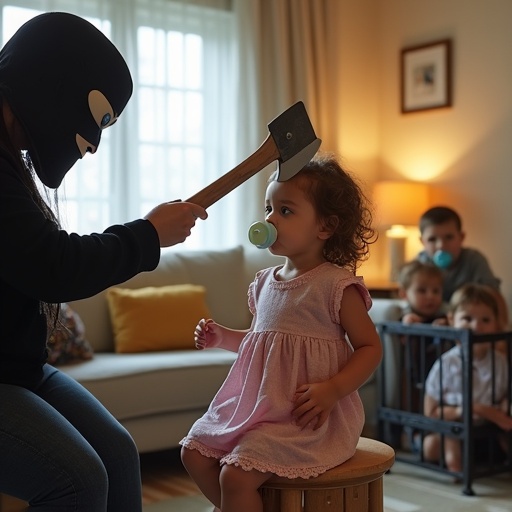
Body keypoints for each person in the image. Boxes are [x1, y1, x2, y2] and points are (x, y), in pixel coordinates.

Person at [0, 12, 207, 511]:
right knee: (78, 479)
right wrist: (148, 236)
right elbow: (52, 265)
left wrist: (149, 235)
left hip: (19, 369)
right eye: (95, 122)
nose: (90, 146)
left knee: (117, 453)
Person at [180, 153, 383, 512]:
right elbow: (262, 344)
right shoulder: (264, 283)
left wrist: (333, 390)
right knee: (193, 453)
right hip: (260, 407)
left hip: (308, 417)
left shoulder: (336, 285)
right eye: (268, 209)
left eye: (285, 211)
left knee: (235, 476)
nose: (271, 219)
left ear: (325, 227)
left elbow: (370, 347)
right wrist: (222, 337)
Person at [422, 284, 512, 474]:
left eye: (485, 319)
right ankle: (456, 467)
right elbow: (431, 411)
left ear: (496, 324)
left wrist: (503, 406)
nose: (476, 326)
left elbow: (504, 394)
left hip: (487, 428)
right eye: (467, 318)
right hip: (455, 423)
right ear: (452, 320)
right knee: (432, 448)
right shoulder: (446, 363)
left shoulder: (500, 362)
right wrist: (474, 408)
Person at [416, 206, 509, 330]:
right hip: (432, 325)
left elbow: (493, 296)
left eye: (449, 237)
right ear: (422, 241)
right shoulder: (420, 265)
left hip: (468, 326)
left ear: (461, 237)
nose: (441, 246)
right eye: (432, 239)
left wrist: (502, 332)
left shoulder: (474, 259)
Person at [397, 260, 447, 326]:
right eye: (422, 290)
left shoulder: (445, 315)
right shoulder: (403, 316)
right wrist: (407, 326)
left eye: (436, 291)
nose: (431, 296)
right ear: (404, 294)